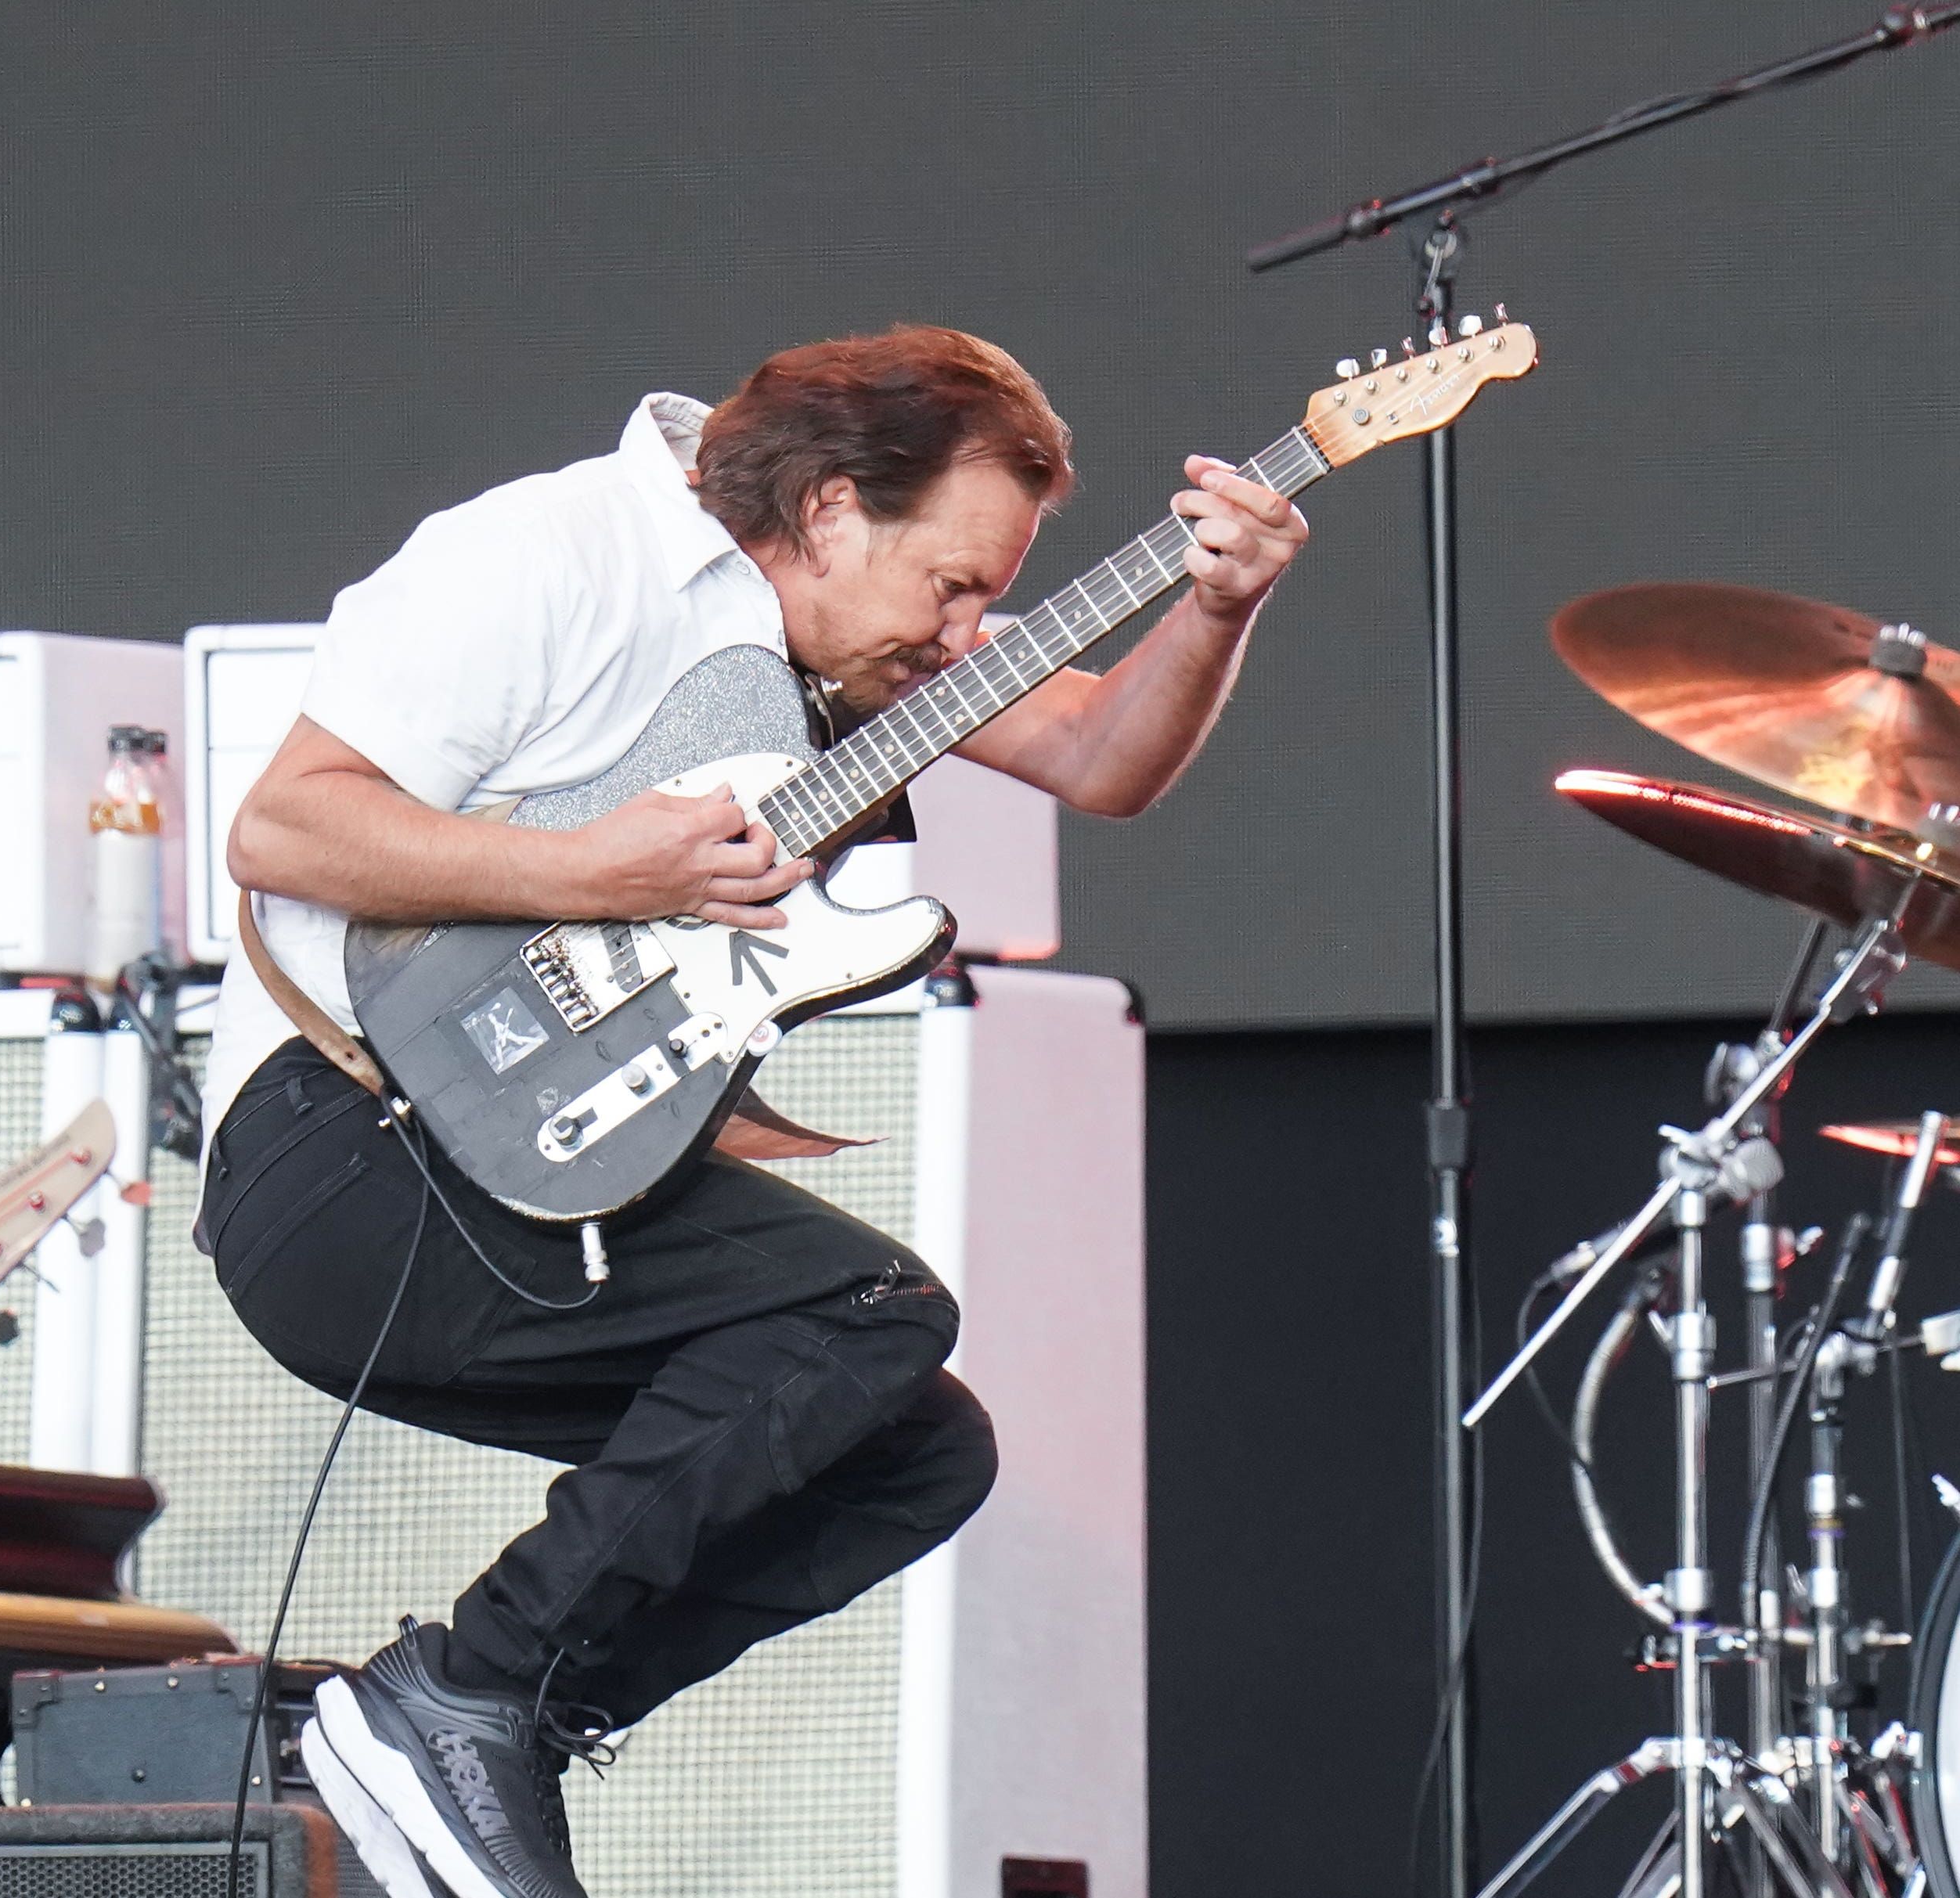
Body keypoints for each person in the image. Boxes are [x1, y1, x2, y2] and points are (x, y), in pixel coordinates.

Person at [201, 326, 1306, 1898]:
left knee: (914, 1449)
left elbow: (1097, 754)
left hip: (526, 1167)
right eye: (956, 585)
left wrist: (1220, 603)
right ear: (838, 510)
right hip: (348, 1158)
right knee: (870, 1314)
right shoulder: (547, 555)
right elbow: (286, 826)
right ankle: (463, 1692)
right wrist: (608, 870)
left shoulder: (833, 644)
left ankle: (473, 1736)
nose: (970, 629)